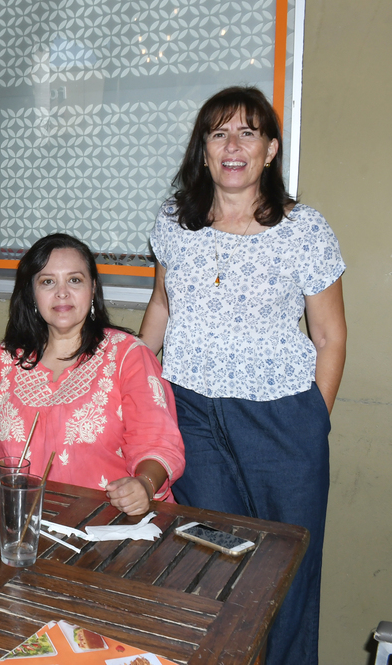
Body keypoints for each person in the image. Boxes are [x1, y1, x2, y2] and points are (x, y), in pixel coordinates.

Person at [138, 86, 346, 665]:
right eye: (219, 133)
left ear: (270, 149)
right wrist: (137, 389)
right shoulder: (175, 223)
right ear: (203, 149)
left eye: (248, 133)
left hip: (283, 421)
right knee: (207, 565)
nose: (233, 145)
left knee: (286, 573)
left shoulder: (303, 228)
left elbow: (329, 336)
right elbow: (161, 307)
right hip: (193, 416)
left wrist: (312, 424)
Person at [0, 234, 185, 516]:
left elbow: (158, 443)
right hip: (24, 523)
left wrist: (143, 485)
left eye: (75, 280)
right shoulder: (3, 362)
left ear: (93, 288)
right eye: (48, 281)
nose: (62, 293)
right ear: (32, 293)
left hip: (112, 524)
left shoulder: (127, 355)